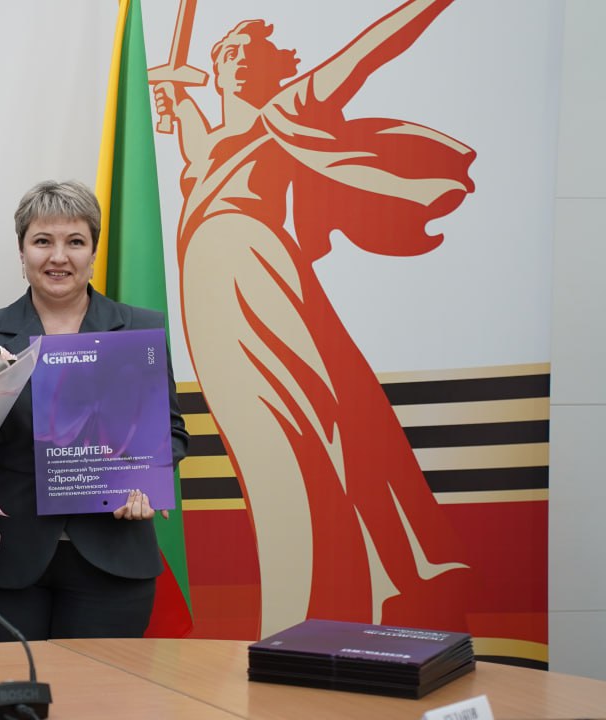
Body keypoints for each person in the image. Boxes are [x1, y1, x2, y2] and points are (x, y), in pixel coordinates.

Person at [151, 0, 475, 635]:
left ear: (276, 69)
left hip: (258, 271)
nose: (237, 61)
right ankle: (300, 609)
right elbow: (176, 107)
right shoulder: (205, 141)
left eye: (251, 52)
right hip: (210, 298)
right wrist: (171, 90)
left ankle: (337, 606)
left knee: (311, 432)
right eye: (227, 53)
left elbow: (371, 49)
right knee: (264, 445)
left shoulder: (290, 109)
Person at [0, 180, 189, 642]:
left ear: (93, 251)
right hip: (4, 560)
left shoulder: (138, 330)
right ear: (21, 251)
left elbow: (171, 430)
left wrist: (147, 478)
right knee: (15, 689)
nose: (58, 257)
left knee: (100, 690)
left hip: (113, 558)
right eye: (42, 241)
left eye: (74, 242)